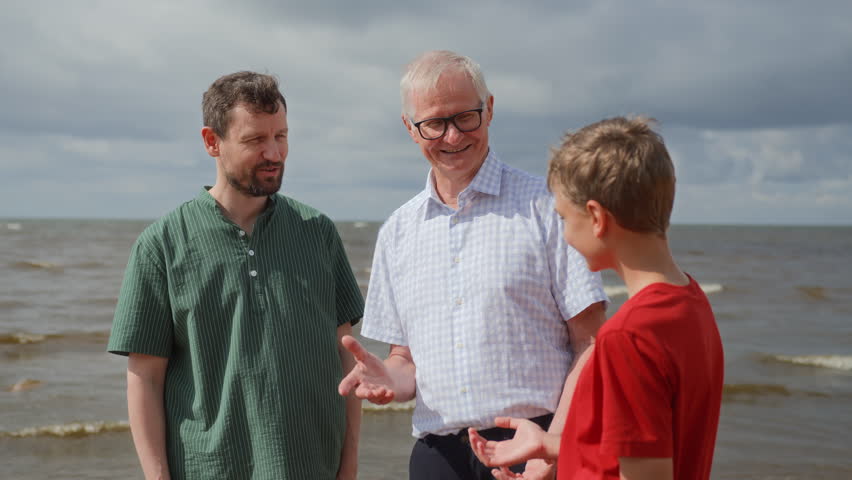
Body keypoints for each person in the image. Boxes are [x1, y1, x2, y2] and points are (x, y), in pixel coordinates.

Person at [337, 50, 608, 480]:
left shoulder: (547, 207)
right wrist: (388, 377)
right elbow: (405, 361)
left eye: (466, 117)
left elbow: (592, 344)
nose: (452, 137)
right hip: (437, 456)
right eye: (434, 124)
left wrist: (552, 448)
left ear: (491, 109)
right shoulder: (398, 231)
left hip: (535, 443)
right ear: (410, 128)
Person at [107, 71, 364, 480]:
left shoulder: (317, 232)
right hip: (209, 468)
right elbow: (145, 380)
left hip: (312, 466)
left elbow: (347, 357)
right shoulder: (162, 244)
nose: (274, 153)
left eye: (281, 136)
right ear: (212, 142)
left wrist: (348, 467)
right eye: (255, 140)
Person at [467, 116, 725, 480]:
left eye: (563, 218)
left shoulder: (627, 338)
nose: (565, 235)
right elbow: (649, 448)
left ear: (596, 218)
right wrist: (550, 446)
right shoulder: (691, 303)